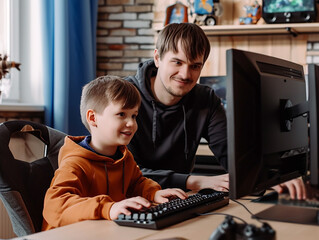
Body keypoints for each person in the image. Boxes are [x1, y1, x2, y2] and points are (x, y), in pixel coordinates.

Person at [125, 22, 306, 200]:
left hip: (177, 199)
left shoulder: (205, 99)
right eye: (177, 62)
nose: (185, 74)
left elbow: (232, 153)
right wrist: (194, 181)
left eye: (195, 66)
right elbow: (124, 172)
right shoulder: (124, 96)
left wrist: (270, 176)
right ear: (157, 58)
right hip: (127, 200)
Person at [42, 75, 187, 230]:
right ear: (93, 118)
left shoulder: (124, 157)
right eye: (121, 114)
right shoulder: (75, 163)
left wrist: (153, 194)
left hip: (104, 232)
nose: (131, 123)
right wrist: (108, 208)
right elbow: (55, 206)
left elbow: (136, 183)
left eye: (134, 115)